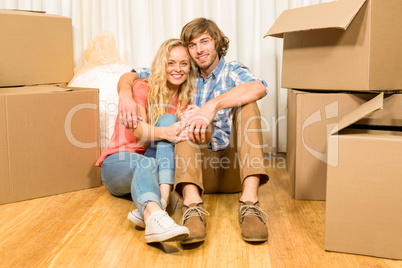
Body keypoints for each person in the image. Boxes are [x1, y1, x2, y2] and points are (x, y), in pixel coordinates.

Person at [117, 18, 269, 244]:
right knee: (185, 119)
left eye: (204, 41)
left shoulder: (232, 70)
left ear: (216, 42)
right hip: (199, 172)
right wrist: (125, 95)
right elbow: (133, 73)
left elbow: (259, 87)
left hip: (233, 169)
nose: (199, 50)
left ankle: (249, 204)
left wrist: (211, 106)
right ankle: (192, 206)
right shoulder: (186, 71)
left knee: (249, 105)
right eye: (192, 45)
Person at [96, 39, 199, 244]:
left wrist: (193, 117)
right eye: (171, 63)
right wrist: (169, 132)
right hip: (118, 163)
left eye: (184, 63)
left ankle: (157, 205)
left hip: (148, 165)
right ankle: (156, 218)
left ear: (190, 67)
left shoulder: (184, 98)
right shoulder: (143, 87)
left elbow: (176, 137)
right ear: (163, 65)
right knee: (149, 159)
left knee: (168, 124)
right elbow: (139, 130)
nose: (177, 69)